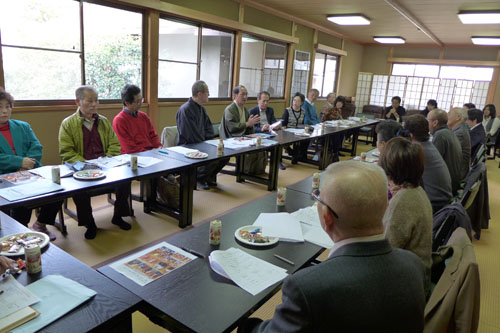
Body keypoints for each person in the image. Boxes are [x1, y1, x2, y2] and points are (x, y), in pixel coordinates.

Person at [240, 161, 426, 332]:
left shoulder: (307, 288)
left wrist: (249, 326)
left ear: (326, 216)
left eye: (319, 198)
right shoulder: (413, 264)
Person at [59, 86, 132, 240]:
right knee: (79, 188)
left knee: (125, 179)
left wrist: (107, 160)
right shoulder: (68, 124)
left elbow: (114, 144)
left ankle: (117, 216)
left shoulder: (103, 121)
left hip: (105, 166)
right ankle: (90, 224)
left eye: (96, 100)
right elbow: (66, 152)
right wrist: (85, 165)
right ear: (78, 102)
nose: (94, 104)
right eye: (90, 101)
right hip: (82, 168)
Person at [0, 87, 61, 241]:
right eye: (0, 107)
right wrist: (19, 162)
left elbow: (36, 147)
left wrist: (26, 165)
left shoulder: (23, 126)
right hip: (4, 178)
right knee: (22, 200)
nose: (5, 111)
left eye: (7, 106)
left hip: (30, 172)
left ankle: (41, 224)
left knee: (58, 190)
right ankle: (22, 230)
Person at [379, 137, 433, 296]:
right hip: (415, 273)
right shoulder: (416, 190)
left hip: (407, 286)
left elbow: (384, 254)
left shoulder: (403, 200)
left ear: (390, 170)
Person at [176, 81, 229, 190]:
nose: (209, 95)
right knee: (213, 155)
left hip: (201, 143)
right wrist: (206, 145)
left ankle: (208, 177)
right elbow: (190, 134)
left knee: (224, 155)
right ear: (199, 94)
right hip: (188, 145)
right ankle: (199, 178)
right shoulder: (185, 110)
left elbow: (208, 129)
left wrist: (211, 143)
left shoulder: (201, 109)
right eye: (207, 92)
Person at [404, 114, 452, 212]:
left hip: (433, 204)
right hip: (443, 200)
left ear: (410, 134)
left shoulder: (418, 151)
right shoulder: (428, 145)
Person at [219, 85, 266, 175]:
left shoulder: (244, 109)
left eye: (246, 94)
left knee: (259, 146)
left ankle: (256, 171)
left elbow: (249, 125)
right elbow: (231, 127)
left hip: (241, 136)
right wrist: (248, 124)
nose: (245, 97)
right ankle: (246, 171)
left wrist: (251, 133)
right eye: (242, 94)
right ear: (234, 96)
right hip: (230, 137)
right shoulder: (230, 109)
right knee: (250, 148)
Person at [112, 84, 162, 154]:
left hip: (151, 153)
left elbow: (153, 135)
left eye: (141, 99)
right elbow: (129, 148)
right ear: (127, 103)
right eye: (137, 101)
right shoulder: (119, 120)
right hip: (133, 157)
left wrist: (158, 147)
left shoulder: (143, 116)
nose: (140, 103)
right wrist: (150, 153)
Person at [427, 109, 462, 195]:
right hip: (452, 181)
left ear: (435, 123)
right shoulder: (448, 132)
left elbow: (432, 163)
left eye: (428, 120)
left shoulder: (440, 135)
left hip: (445, 187)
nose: (426, 123)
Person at [248, 91, 285, 170]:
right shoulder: (252, 111)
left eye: (267, 101)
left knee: (279, 139)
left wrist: (275, 126)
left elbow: (273, 121)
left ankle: (277, 162)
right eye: (263, 101)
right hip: (259, 134)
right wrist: (261, 128)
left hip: (269, 132)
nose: (266, 103)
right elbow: (251, 128)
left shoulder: (270, 110)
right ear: (258, 100)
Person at [282, 92, 309, 163]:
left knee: (307, 138)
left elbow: (302, 123)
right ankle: (293, 153)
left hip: (299, 131)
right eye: (294, 100)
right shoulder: (288, 110)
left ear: (302, 103)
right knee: (295, 140)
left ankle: (300, 155)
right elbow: (283, 125)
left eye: (298, 101)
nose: (295, 102)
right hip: (288, 131)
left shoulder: (303, 111)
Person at [448, 107, 471, 181]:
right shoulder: (460, 129)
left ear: (458, 117)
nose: (447, 116)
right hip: (458, 168)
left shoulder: (459, 133)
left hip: (457, 172)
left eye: (449, 114)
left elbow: (450, 155)